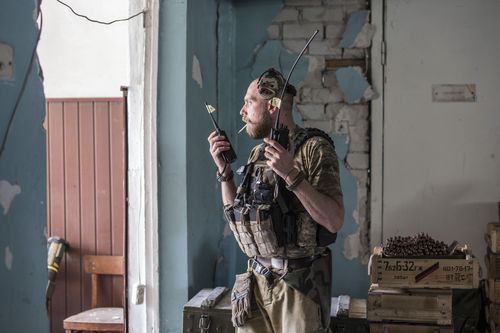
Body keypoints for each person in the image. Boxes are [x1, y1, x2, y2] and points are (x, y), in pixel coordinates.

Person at [207, 68, 344, 333]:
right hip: (256, 283)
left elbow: (334, 219)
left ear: (272, 106)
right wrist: (224, 173)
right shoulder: (258, 153)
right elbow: (239, 214)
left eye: (250, 101)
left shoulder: (315, 149)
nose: (242, 111)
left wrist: (291, 174)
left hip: (298, 287)